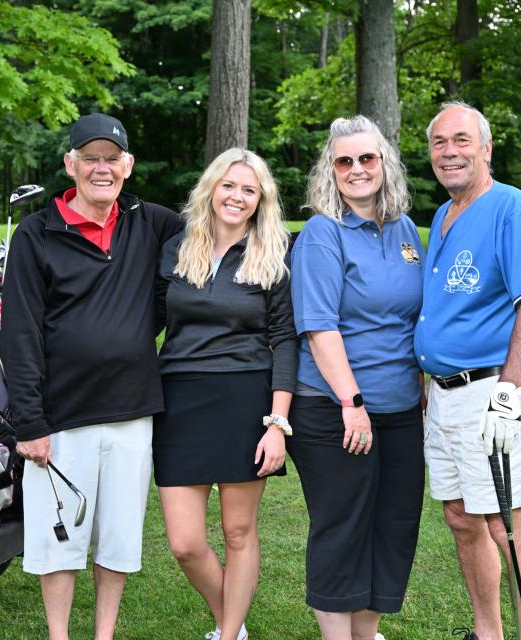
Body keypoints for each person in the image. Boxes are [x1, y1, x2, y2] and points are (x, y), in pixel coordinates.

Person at [2, 113, 181, 640]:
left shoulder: (153, 223)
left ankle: (104, 634)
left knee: (119, 536)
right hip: (60, 417)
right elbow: (20, 334)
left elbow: (219, 224)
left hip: (131, 410)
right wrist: (29, 422)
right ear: (70, 164)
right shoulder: (37, 234)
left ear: (128, 166)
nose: (101, 168)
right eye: (90, 157)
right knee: (59, 538)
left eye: (111, 158)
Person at [414, 101, 521, 640]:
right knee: (459, 516)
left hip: (493, 393)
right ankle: (487, 633)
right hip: (445, 396)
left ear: (486, 148)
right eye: (439, 143)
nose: (449, 152)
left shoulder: (512, 208)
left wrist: (509, 391)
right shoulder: (445, 214)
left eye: (461, 140)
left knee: (507, 527)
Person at [287, 115, 426, 640]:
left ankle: (366, 633)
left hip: (400, 408)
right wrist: (352, 401)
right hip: (337, 407)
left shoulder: (407, 229)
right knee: (343, 525)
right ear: (331, 170)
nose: (357, 169)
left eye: (367, 158)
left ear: (385, 163)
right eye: (344, 160)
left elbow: (414, 316)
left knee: (392, 526)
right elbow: (320, 328)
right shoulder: (324, 233)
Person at [153, 148, 297, 640]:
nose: (237, 197)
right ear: (212, 189)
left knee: (238, 532)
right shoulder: (176, 247)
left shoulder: (274, 251)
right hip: (179, 400)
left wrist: (277, 423)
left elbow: (285, 339)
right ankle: (229, 623)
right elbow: (148, 319)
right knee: (185, 542)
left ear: (262, 200)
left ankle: (230, 632)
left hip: (245, 399)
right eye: (229, 186)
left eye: (249, 190)